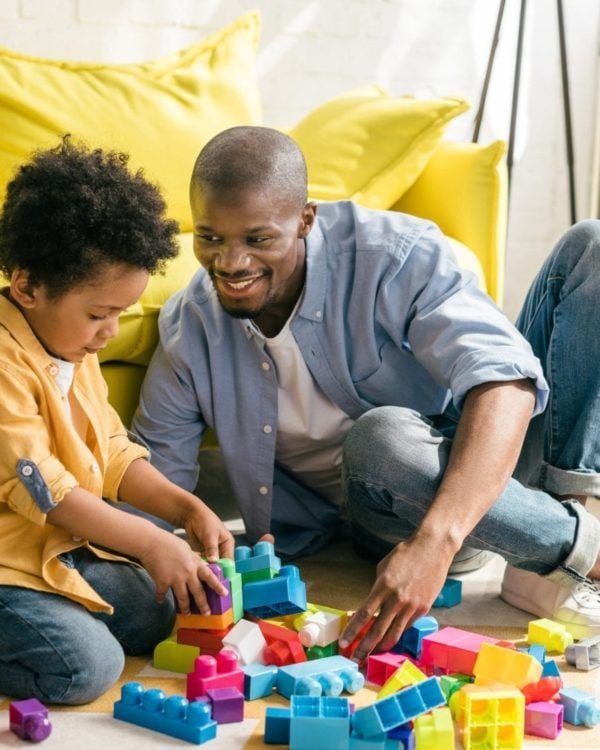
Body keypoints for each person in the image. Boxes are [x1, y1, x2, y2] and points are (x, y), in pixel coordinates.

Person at [133, 125, 600, 661]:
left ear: (306, 219)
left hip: (457, 505)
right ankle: (568, 551)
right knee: (380, 442)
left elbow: (504, 379)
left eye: (258, 239)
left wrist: (434, 544)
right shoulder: (190, 328)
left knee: (591, 245)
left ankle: (562, 539)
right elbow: (152, 480)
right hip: (387, 514)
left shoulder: (393, 256)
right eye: (210, 237)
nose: (231, 263)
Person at [0, 138, 234, 705]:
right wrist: (151, 543)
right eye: (99, 314)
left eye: (121, 314)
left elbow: (110, 451)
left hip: (49, 547)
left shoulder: (70, 347)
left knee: (162, 608)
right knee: (86, 669)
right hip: (7, 560)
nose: (110, 331)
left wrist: (185, 508)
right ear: (28, 286)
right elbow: (48, 492)